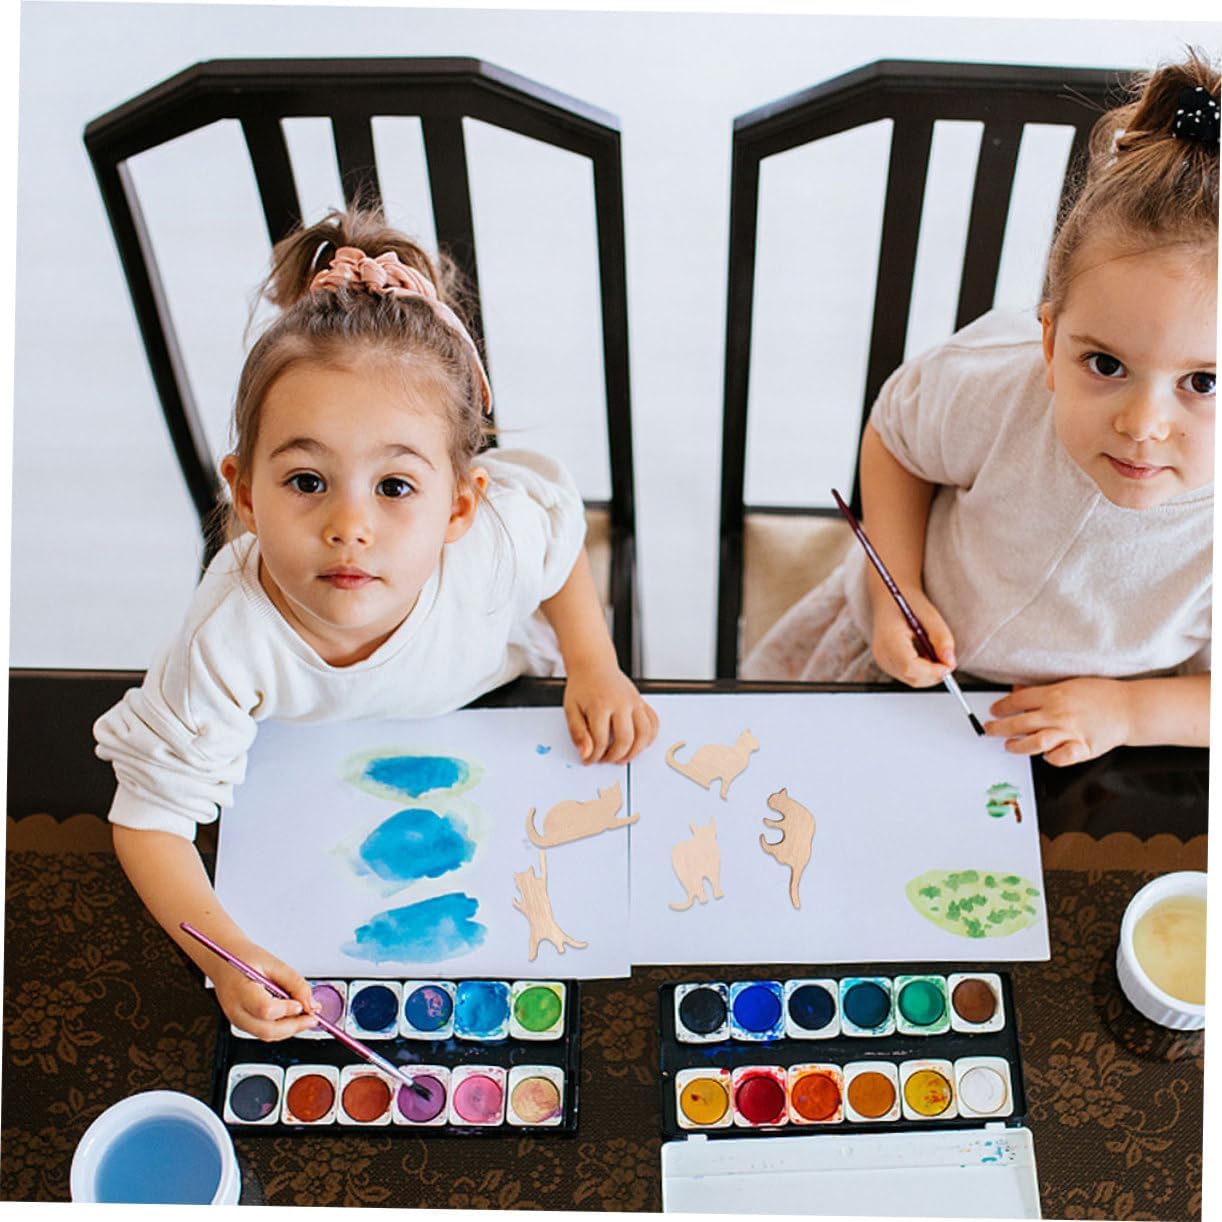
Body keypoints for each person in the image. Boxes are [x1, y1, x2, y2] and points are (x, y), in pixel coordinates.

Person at [95, 208, 658, 1039]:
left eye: (394, 487)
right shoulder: (225, 640)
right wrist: (226, 956)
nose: (349, 527)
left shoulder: (493, 544)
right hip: (311, 781)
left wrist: (593, 663)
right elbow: (149, 822)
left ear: (460, 505)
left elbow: (560, 545)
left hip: (502, 708)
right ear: (243, 493)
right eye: (306, 481)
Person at [745, 52, 1216, 767]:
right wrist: (895, 589)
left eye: (1204, 382)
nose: (1142, 425)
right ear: (1050, 339)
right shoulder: (994, 387)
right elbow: (897, 438)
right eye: (1105, 364)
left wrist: (1126, 711)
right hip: (900, 659)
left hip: (1098, 737)